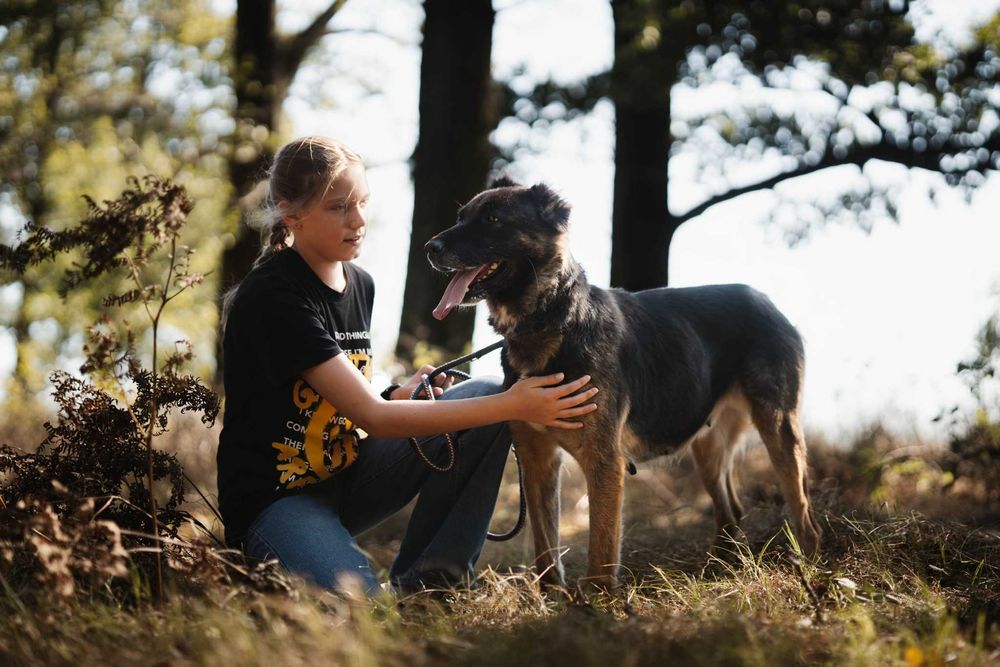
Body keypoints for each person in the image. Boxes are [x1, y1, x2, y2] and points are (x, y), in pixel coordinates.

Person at [216, 136, 598, 596]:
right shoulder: (274, 295)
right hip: (277, 502)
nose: (358, 221)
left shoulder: (360, 282)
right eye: (338, 208)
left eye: (362, 203)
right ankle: (288, 564)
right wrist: (515, 404)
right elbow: (373, 419)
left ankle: (434, 587)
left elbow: (347, 395)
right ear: (292, 214)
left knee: (483, 395)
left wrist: (394, 392)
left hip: (349, 478)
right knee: (356, 603)